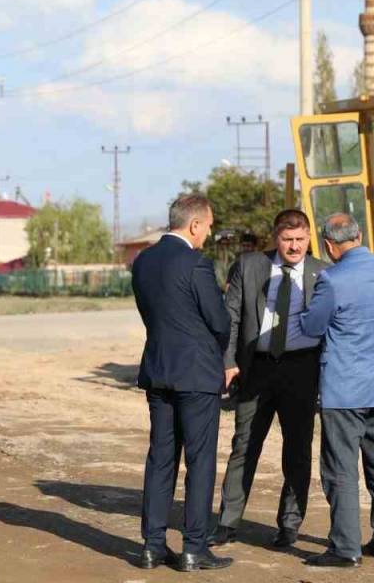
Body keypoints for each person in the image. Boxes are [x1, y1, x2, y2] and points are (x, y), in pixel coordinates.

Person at [210, 209, 328, 549]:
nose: (294, 247)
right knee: (244, 445)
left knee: (298, 449)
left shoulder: (323, 273)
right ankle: (228, 522)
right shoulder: (249, 266)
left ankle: (289, 525)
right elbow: (230, 319)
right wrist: (228, 361)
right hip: (257, 368)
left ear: (309, 237)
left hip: (302, 369)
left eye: (301, 240)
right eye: (288, 240)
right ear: (275, 238)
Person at [299, 212, 374, 568]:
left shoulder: (332, 279)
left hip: (346, 390)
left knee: (340, 469)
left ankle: (345, 549)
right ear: (359, 235)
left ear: (329, 245)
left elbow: (313, 327)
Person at [131, 194, 233, 572]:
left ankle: (152, 546)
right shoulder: (196, 264)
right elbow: (219, 322)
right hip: (197, 375)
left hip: (158, 369)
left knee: (161, 458)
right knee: (200, 460)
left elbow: (150, 315)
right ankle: (194, 548)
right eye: (208, 226)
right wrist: (217, 352)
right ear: (194, 225)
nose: (208, 233)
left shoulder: (143, 262)